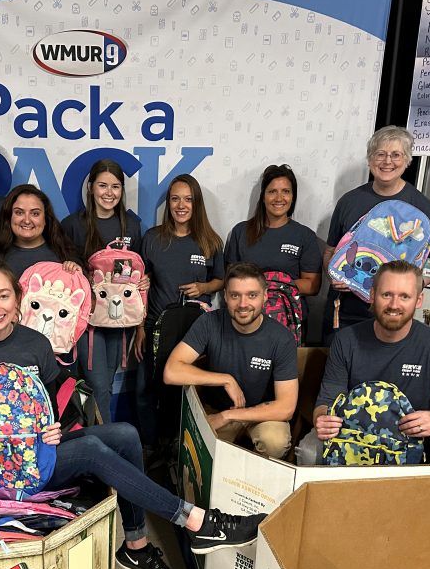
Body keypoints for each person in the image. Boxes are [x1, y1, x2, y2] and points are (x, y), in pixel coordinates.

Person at [0, 259, 265, 569]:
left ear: (18, 298)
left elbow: (47, 402)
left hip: (33, 454)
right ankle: (195, 520)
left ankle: (136, 545)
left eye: (3, 296)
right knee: (91, 451)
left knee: (126, 433)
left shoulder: (35, 344)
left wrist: (54, 426)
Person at [300, 260, 430, 464]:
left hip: (402, 449)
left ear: (418, 300)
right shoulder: (346, 340)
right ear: (372, 295)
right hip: (349, 442)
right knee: (308, 452)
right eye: (386, 294)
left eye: (404, 296)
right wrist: (323, 419)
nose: (394, 305)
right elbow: (327, 401)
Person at [164, 262, 299, 460]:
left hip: (261, 414)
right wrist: (225, 379)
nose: (243, 304)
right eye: (235, 295)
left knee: (274, 441)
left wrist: (229, 415)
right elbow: (171, 372)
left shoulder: (282, 338)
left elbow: (286, 407)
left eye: (252, 295)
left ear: (265, 296)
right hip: (217, 408)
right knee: (199, 450)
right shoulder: (209, 322)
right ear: (226, 296)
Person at [322, 125, 430, 344]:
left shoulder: (422, 208)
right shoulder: (349, 202)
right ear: (370, 159)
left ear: (407, 160)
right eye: (380, 154)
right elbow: (331, 251)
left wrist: (408, 291)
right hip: (345, 312)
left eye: (396, 155)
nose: (387, 162)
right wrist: (333, 275)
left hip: (392, 318)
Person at [136, 174, 224, 446]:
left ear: (196, 204)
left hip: (192, 332)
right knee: (145, 390)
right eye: (175, 198)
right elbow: (139, 286)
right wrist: (139, 328)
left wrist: (203, 287)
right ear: (168, 203)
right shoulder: (152, 238)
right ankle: (149, 450)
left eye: (188, 199)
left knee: (183, 392)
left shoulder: (210, 241)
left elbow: (221, 280)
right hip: (154, 327)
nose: (181, 205)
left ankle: (177, 448)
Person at [61, 159, 147, 423]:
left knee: (107, 384)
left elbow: (138, 269)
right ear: (91, 188)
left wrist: (144, 282)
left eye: (116, 186)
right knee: (97, 384)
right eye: (102, 185)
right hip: (88, 321)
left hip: (119, 318)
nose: (109, 193)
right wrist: (69, 266)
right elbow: (63, 275)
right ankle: (103, 443)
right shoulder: (72, 225)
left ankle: (97, 439)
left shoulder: (131, 225)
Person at [224, 164, 322, 301]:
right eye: (272, 191)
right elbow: (230, 279)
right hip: (247, 314)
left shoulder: (305, 236)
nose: (279, 198)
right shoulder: (240, 232)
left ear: (293, 197)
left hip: (289, 317)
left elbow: (312, 285)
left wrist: (270, 284)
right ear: (263, 197)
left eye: (286, 191)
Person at [0, 184, 84, 278]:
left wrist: (78, 276)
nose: (26, 220)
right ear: (9, 217)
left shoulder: (65, 255)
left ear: (46, 218)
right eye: (19, 212)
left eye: (35, 214)